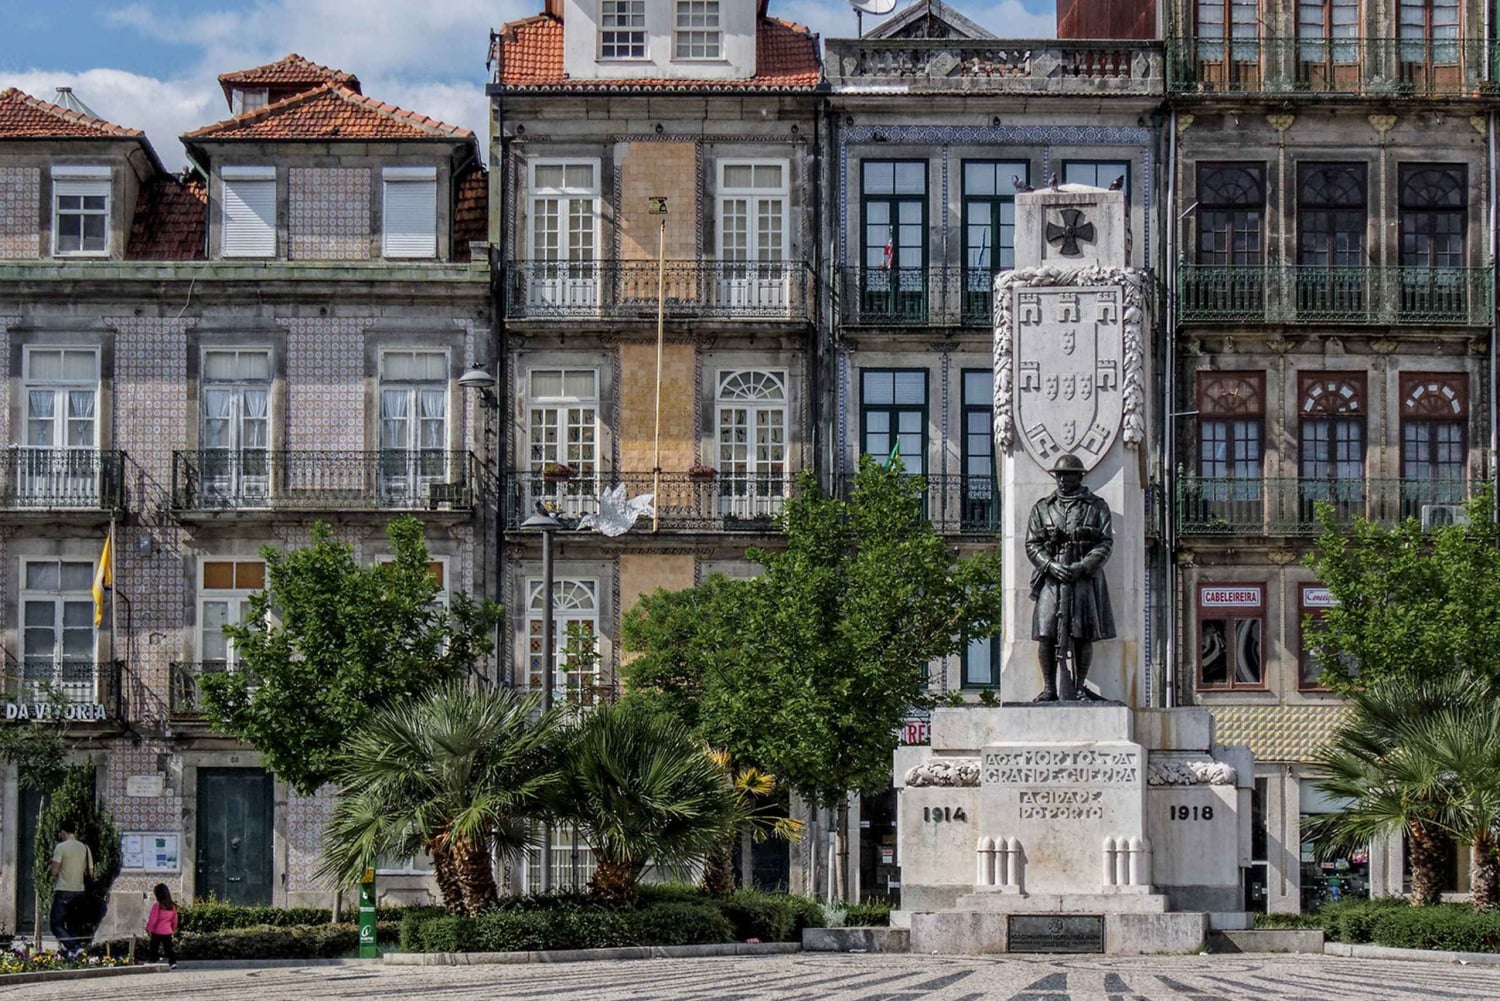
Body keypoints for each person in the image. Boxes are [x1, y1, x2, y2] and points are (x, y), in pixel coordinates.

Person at [1025, 453, 1116, 701]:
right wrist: (1050, 564)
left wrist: (1082, 566)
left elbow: (1105, 543)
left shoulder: (1096, 506)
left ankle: (1079, 686)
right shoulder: (1042, 508)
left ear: (1079, 476)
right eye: (1059, 475)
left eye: (1068, 475)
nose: (1063, 480)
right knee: (1045, 632)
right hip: (1051, 579)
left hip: (1082, 579)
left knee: (1082, 632)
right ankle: (1049, 688)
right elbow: (1032, 544)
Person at [47, 822, 93, 957]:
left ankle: (74, 948)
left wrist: (50, 866)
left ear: (63, 832)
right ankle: (72, 954)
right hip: (79, 891)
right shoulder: (85, 848)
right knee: (73, 925)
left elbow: (54, 871)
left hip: (63, 890)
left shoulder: (60, 847)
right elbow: (90, 872)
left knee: (56, 924)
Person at [145, 883, 179, 968]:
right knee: (168, 948)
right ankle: (173, 962)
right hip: (167, 931)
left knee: (154, 947)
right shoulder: (172, 906)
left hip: (157, 931)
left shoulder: (157, 905)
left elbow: (153, 919)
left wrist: (149, 928)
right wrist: (173, 929)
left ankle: (152, 960)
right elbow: (174, 920)